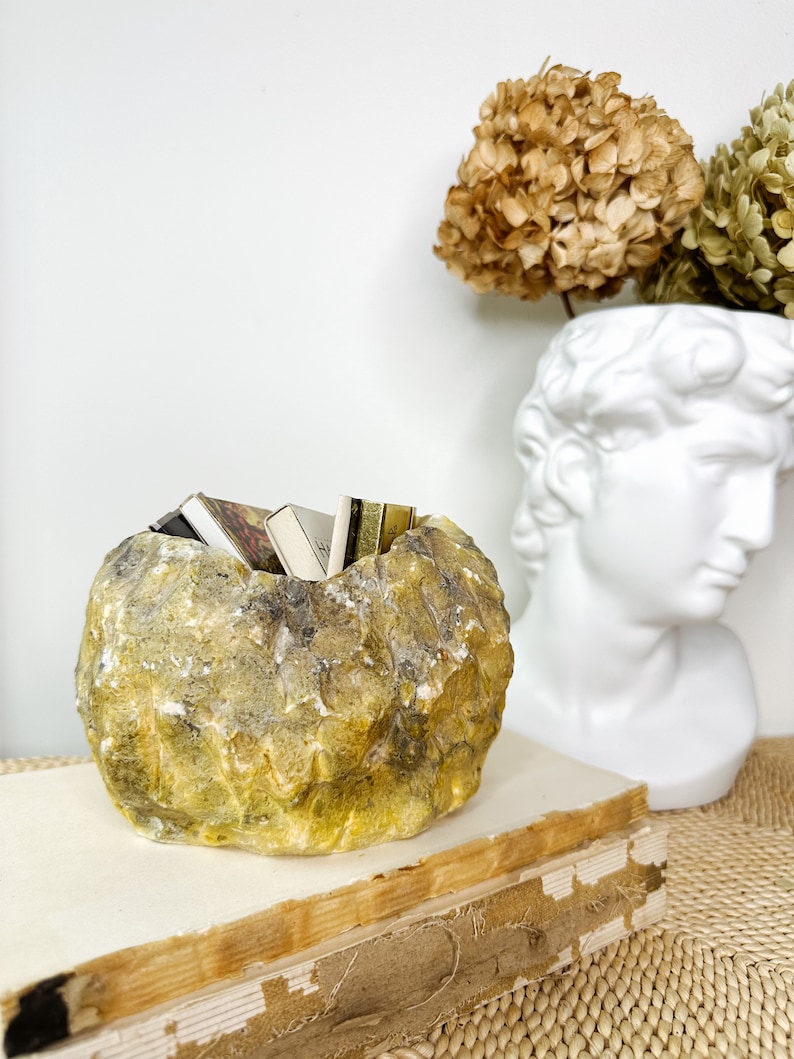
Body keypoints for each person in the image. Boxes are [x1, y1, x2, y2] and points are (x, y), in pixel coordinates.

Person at [503, 303, 794, 808]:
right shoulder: (472, 704)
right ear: (577, 472)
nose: (759, 529)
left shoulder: (722, 698)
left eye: (774, 482)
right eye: (721, 467)